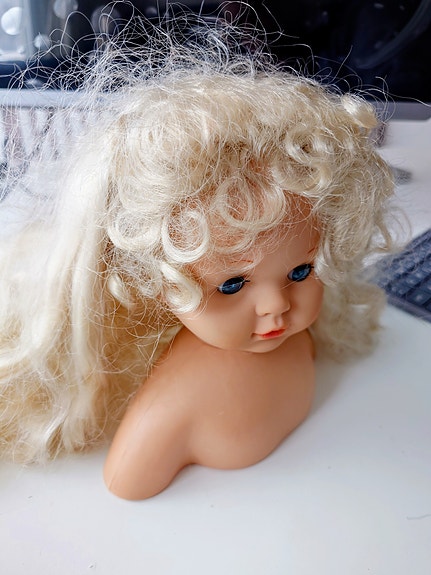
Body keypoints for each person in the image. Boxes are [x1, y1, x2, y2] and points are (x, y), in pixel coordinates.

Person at [0, 11, 396, 499]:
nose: (276, 305)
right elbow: (127, 484)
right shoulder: (166, 412)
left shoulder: (298, 336)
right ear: (156, 280)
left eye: (299, 271)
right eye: (231, 284)